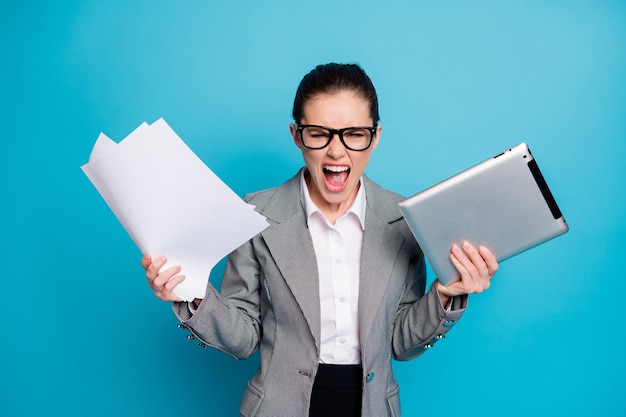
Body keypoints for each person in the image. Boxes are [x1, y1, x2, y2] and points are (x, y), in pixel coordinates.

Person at [142, 63, 498, 417]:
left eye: (354, 134)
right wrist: (194, 294)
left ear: (375, 136)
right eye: (319, 133)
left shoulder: (402, 219)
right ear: (297, 136)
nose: (337, 152)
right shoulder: (255, 214)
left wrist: (444, 295)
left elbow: (399, 342)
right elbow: (246, 336)